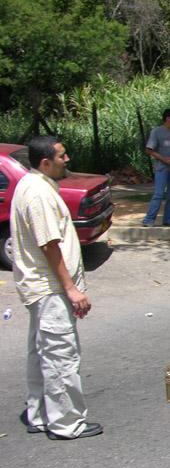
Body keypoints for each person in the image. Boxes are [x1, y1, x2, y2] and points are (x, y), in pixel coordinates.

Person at [11, 135, 101, 439]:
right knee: (61, 355)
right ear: (45, 162)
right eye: (62, 156)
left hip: (40, 288)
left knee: (41, 352)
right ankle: (66, 423)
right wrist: (72, 289)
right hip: (50, 289)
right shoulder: (38, 193)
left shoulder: (32, 184)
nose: (68, 160)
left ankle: (40, 415)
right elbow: (49, 244)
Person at [142, 108, 170, 227]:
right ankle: (149, 219)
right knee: (159, 194)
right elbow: (149, 150)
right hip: (162, 168)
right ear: (168, 118)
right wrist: (164, 159)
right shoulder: (157, 132)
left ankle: (169, 219)